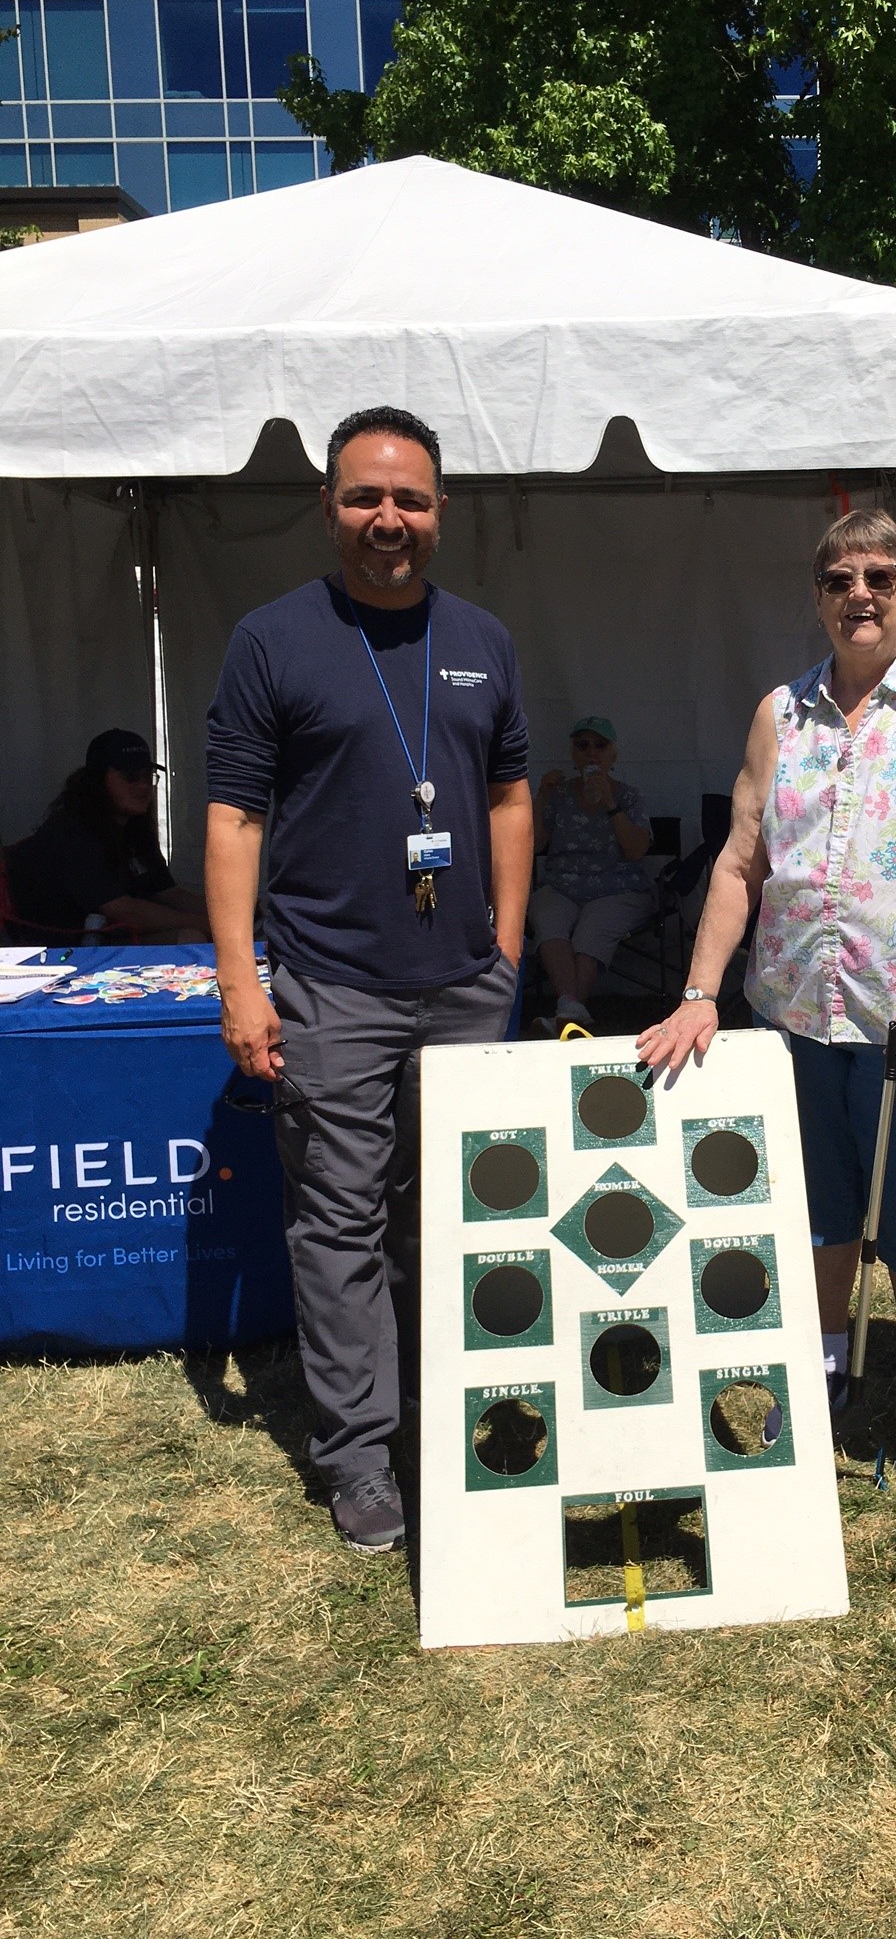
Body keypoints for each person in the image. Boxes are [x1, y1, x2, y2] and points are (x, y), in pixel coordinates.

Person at [204, 405, 533, 1554]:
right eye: (364, 497)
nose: (387, 519)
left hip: (463, 988)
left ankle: (450, 1411)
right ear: (330, 507)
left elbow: (506, 795)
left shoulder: (484, 636)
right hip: (333, 989)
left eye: (409, 499)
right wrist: (242, 982)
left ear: (442, 512)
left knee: (453, 1217)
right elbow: (235, 817)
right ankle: (358, 1453)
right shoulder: (273, 640)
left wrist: (508, 942)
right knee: (340, 1222)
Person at [638, 509, 896, 1481]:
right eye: (841, 579)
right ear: (817, 595)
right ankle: (824, 1364)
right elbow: (738, 862)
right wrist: (700, 992)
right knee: (815, 1211)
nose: (862, 595)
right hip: (797, 1019)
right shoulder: (782, 712)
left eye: (881, 577)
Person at [5, 728, 209, 937]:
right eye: (131, 777)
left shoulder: (134, 828)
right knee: (190, 935)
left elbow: (167, 893)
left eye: (149, 777)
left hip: (112, 938)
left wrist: (230, 916)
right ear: (98, 780)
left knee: (196, 933)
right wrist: (207, 925)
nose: (143, 786)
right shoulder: (71, 831)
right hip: (68, 948)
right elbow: (121, 910)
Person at [528, 716, 655, 1033]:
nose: (591, 753)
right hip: (563, 884)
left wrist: (610, 805)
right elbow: (533, 844)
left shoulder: (627, 796)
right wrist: (541, 797)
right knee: (546, 916)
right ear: (573, 753)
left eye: (600, 746)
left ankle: (567, 1011)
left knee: (594, 926)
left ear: (613, 756)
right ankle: (573, 1013)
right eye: (582, 746)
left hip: (617, 887)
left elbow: (637, 850)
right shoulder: (559, 795)